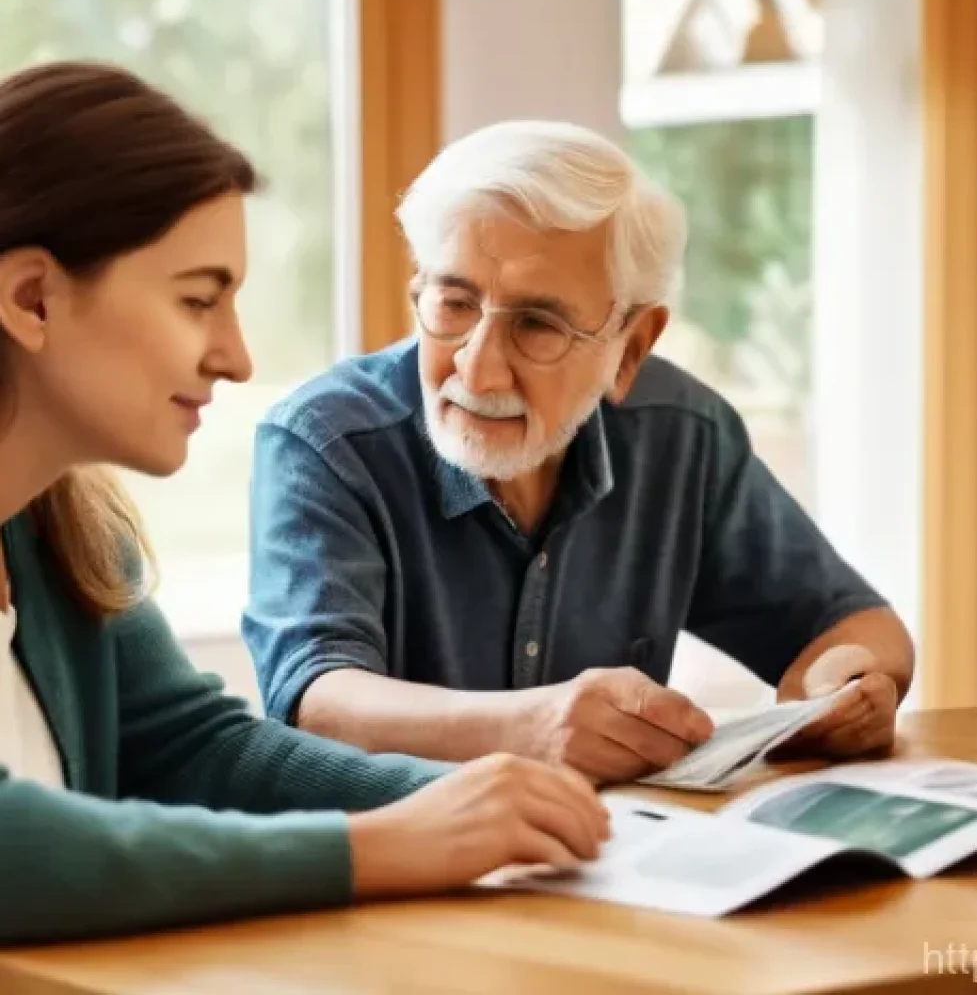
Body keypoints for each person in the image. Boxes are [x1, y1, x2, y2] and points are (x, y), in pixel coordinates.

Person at [0, 63, 610, 946]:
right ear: (32, 298)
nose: (237, 357)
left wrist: (471, 807)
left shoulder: (64, 534)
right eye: (199, 300)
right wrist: (380, 846)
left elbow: (193, 750)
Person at [243, 119, 915, 784]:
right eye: (453, 303)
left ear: (631, 347)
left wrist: (846, 683)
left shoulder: (682, 435)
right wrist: (531, 728)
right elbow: (315, 702)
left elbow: (860, 627)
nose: (477, 372)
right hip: (399, 871)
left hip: (614, 864)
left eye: (537, 325)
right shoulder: (326, 442)